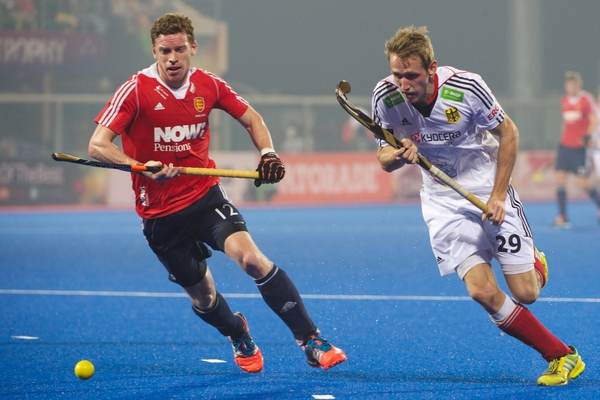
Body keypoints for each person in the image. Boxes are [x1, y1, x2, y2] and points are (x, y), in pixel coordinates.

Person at [87, 13, 346, 373]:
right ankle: (237, 332)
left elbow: (252, 118)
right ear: (154, 51)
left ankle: (311, 340)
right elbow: (97, 146)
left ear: (193, 48)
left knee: (252, 259)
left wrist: (268, 153)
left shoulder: (208, 84)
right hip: (160, 215)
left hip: (205, 196)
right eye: (165, 51)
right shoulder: (135, 89)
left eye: (179, 49)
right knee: (204, 298)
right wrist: (140, 166)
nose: (173, 58)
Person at [372, 26, 584, 386]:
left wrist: (498, 195)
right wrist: (398, 154)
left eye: (412, 76)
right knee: (481, 291)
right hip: (442, 201)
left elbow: (509, 132)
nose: (404, 84)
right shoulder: (385, 97)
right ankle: (561, 355)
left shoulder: (466, 87)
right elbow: (383, 156)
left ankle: (535, 262)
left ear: (431, 68)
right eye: (397, 75)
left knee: (526, 293)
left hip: (485, 187)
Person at [553, 71, 600, 228]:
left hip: (580, 148)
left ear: (578, 85)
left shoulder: (586, 99)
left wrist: (587, 136)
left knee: (583, 184)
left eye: (573, 84)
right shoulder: (564, 100)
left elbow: (594, 120)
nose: (571, 87)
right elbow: (565, 123)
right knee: (560, 179)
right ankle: (562, 216)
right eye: (568, 85)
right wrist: (562, 140)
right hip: (565, 146)